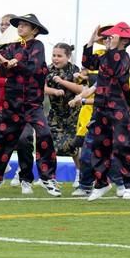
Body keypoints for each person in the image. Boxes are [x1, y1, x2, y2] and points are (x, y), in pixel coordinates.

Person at [0, 13, 60, 196]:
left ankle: (47, 178)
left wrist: (15, 63)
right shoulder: (11, 46)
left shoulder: (38, 45)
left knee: (44, 134)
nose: (20, 28)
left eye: (24, 25)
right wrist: (2, 63)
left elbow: (33, 67)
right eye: (19, 25)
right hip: (11, 104)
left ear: (34, 30)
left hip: (32, 103)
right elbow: (0, 69)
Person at [82, 22, 130, 201]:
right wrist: (91, 41)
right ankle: (101, 183)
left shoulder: (124, 57)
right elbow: (88, 62)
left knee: (122, 145)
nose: (107, 40)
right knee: (99, 145)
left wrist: (113, 48)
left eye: (111, 37)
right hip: (101, 107)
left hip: (118, 107)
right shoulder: (105, 56)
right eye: (107, 37)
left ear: (123, 41)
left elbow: (115, 70)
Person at [0, 15, 36, 190]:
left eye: (8, 25)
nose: (4, 27)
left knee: (24, 141)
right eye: (2, 24)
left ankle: (25, 179)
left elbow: (34, 76)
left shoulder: (29, 53)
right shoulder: (3, 49)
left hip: (25, 107)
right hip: (3, 105)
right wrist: (10, 82)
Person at [46, 43, 82, 181]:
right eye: (54, 55)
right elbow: (40, 88)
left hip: (73, 113)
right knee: (48, 144)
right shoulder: (47, 69)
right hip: (55, 114)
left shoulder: (74, 70)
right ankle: (48, 175)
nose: (55, 59)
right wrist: (54, 91)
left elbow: (80, 90)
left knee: (72, 146)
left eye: (59, 56)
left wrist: (61, 82)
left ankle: (80, 173)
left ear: (68, 57)